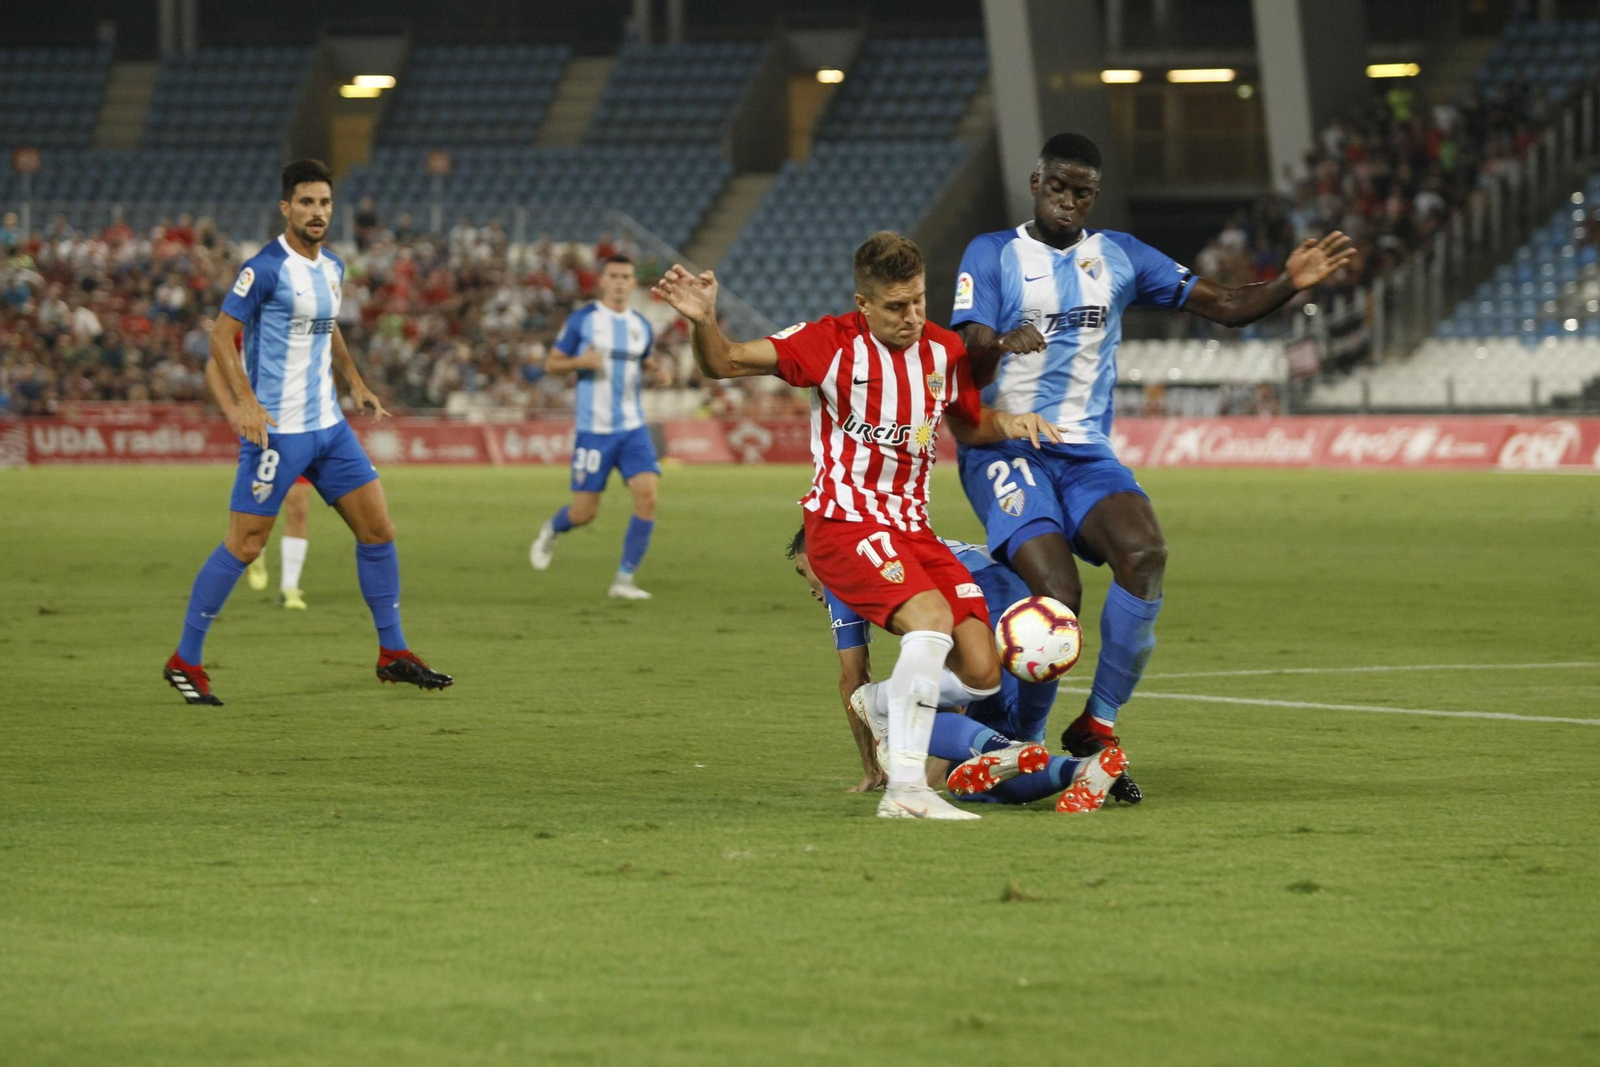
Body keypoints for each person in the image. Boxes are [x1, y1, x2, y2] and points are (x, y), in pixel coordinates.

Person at [950, 133, 1355, 798]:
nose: (1069, 201)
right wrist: (999, 345)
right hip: (1004, 445)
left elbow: (1222, 305)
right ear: (1035, 182)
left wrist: (1289, 282)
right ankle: (1017, 745)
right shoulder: (992, 253)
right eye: (1059, 186)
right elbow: (966, 358)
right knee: (1059, 595)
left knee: (1146, 553)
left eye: (1083, 191)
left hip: (1084, 452)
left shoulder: (1120, 257)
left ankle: (1096, 723)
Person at [653, 231, 1059, 821]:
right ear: (863, 304)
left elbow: (969, 424)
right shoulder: (829, 344)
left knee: (981, 673)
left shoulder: (943, 351)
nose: (912, 316)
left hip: (913, 529)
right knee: (931, 622)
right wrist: (703, 320)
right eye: (896, 306)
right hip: (844, 522)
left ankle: (876, 700)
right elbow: (725, 360)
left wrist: (1011, 421)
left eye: (919, 300)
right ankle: (906, 792)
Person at [163, 158, 451, 706]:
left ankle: (393, 654)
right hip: (279, 433)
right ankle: (185, 660)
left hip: (330, 428)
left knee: (379, 531)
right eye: (307, 203)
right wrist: (246, 403)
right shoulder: (265, 268)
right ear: (286, 208)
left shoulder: (333, 268)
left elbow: (328, 329)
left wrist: (357, 382)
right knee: (246, 545)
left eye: (324, 204)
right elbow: (222, 338)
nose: (317, 213)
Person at [788, 529, 1127, 813]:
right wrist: (936, 774)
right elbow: (950, 687)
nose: (811, 588)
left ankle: (1002, 748)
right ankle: (1084, 770)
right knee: (971, 784)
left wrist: (873, 770)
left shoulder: (844, 566)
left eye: (805, 572)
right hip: (1034, 625)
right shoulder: (910, 539)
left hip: (987, 616)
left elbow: (853, 678)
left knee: (883, 702)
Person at [529, 255, 660, 600]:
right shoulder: (583, 320)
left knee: (648, 498)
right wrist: (579, 362)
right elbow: (551, 363)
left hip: (633, 428)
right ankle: (551, 529)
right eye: (613, 275)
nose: (619, 281)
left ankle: (624, 580)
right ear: (602, 281)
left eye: (626, 276)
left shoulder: (641, 325)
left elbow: (646, 361)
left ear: (633, 283)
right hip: (594, 431)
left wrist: (658, 371)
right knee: (584, 512)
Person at [242, 477, 312, 609]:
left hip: (300, 456)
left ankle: (289, 587)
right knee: (261, 506)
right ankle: (257, 553)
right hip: (268, 458)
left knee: (298, 511)